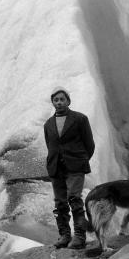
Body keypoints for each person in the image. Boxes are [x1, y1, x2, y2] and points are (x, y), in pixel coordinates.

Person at [43, 87, 95, 249]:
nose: (59, 102)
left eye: (62, 99)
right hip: (56, 167)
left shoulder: (80, 119)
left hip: (75, 165)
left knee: (74, 198)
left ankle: (79, 236)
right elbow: (50, 145)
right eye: (56, 100)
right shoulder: (48, 124)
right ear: (52, 102)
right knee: (60, 202)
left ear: (68, 101)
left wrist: (81, 160)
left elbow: (89, 144)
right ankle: (64, 235)